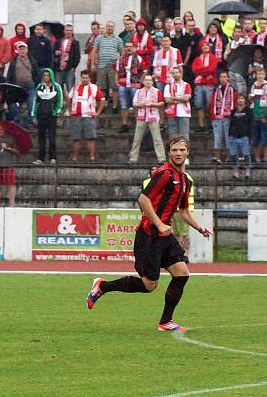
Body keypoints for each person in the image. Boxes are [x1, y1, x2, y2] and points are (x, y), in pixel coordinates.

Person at [85, 135, 212, 332]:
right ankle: (102, 286)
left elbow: (184, 211)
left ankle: (166, 321)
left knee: (182, 274)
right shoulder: (163, 174)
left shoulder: (185, 180)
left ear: (188, 152)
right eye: (174, 150)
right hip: (149, 236)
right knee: (149, 285)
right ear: (169, 153)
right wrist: (160, 224)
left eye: (182, 150)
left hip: (164, 236)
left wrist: (199, 227)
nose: (178, 153)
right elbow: (143, 199)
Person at [67, 70, 105, 162]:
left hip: (89, 115)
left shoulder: (94, 87)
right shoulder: (75, 87)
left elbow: (102, 100)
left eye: (86, 78)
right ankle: (75, 158)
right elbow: (69, 98)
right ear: (81, 77)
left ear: (90, 78)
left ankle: (92, 158)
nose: (84, 79)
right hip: (76, 115)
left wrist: (98, 112)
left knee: (90, 138)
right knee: (76, 138)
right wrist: (70, 110)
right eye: (83, 77)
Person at [130, 73, 165, 164]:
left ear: (152, 82)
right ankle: (133, 158)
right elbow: (134, 103)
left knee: (157, 139)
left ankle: (161, 158)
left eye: (150, 80)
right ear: (143, 81)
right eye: (146, 80)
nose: (148, 82)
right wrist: (140, 104)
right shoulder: (139, 91)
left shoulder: (157, 91)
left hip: (153, 117)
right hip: (141, 117)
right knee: (137, 138)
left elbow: (161, 103)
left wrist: (153, 104)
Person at [31, 68, 63, 165]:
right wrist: (34, 115)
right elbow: (35, 102)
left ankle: (52, 157)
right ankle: (41, 158)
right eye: (44, 75)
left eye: (48, 75)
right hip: (41, 115)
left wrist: (56, 111)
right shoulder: (39, 87)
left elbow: (60, 101)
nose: (46, 77)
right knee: (41, 138)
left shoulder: (56, 87)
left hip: (51, 116)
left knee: (52, 137)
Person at [6, 42, 40, 128]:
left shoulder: (32, 61)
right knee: (16, 107)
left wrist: (35, 82)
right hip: (17, 88)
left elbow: (37, 74)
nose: (22, 51)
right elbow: (9, 75)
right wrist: (9, 86)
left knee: (31, 105)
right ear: (18, 50)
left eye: (24, 49)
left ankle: (29, 123)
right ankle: (16, 122)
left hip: (30, 87)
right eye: (20, 49)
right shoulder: (13, 62)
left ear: (27, 50)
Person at [93, 21, 123, 112]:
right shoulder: (99, 38)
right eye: (108, 26)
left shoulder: (118, 39)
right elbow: (94, 50)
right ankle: (102, 106)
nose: (110, 28)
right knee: (101, 87)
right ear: (106, 27)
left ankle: (114, 107)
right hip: (101, 65)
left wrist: (120, 65)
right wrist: (93, 64)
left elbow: (122, 53)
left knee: (114, 87)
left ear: (114, 28)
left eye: (112, 26)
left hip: (113, 67)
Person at [116, 40, 143, 133]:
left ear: (134, 48)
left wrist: (141, 83)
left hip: (134, 84)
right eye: (127, 46)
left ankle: (138, 125)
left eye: (130, 46)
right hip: (123, 84)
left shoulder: (138, 58)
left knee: (136, 105)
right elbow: (117, 71)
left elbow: (143, 71)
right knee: (124, 106)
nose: (128, 48)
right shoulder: (120, 59)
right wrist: (117, 82)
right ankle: (124, 124)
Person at [210, 71, 235, 163]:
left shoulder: (232, 90)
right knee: (217, 137)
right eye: (221, 77)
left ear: (228, 78)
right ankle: (218, 157)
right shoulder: (216, 90)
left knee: (227, 138)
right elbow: (212, 103)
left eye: (225, 77)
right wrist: (213, 116)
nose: (223, 79)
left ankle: (228, 157)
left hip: (228, 117)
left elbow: (234, 103)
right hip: (217, 117)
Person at [192, 41, 218, 129]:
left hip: (209, 84)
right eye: (203, 46)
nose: (205, 47)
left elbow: (212, 69)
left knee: (210, 104)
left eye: (207, 45)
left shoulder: (213, 58)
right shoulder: (197, 59)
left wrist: (201, 71)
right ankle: (201, 125)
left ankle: (211, 123)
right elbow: (195, 70)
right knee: (199, 105)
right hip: (199, 84)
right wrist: (205, 71)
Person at [248, 68, 267, 164]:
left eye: (262, 74)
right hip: (255, 114)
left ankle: (265, 157)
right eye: (258, 74)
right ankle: (256, 157)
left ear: (265, 75)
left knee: (265, 137)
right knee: (255, 138)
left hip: (264, 116)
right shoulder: (253, 86)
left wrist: (266, 115)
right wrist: (250, 99)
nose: (260, 76)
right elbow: (251, 101)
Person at [228, 94, 253, 179]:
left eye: (242, 98)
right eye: (239, 98)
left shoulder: (248, 111)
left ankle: (247, 170)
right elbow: (230, 124)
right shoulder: (233, 111)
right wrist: (230, 135)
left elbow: (251, 124)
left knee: (246, 154)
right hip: (233, 136)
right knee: (234, 155)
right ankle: (235, 170)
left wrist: (249, 135)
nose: (240, 100)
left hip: (244, 136)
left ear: (245, 100)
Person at [164, 66, 192, 141]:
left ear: (180, 73)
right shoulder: (168, 86)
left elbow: (186, 99)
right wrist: (180, 100)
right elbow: (167, 100)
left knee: (184, 135)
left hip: (184, 113)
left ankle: (185, 152)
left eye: (177, 72)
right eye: (173, 73)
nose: (175, 74)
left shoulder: (186, 85)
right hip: (172, 113)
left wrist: (174, 98)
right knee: (172, 136)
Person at [53, 24, 80, 93]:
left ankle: (71, 103)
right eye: (67, 30)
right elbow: (53, 53)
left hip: (69, 68)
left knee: (70, 89)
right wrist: (56, 53)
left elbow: (77, 56)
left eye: (70, 30)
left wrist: (74, 66)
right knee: (58, 89)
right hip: (59, 68)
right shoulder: (58, 41)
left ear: (72, 32)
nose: (68, 32)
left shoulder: (75, 42)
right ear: (64, 31)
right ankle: (59, 103)